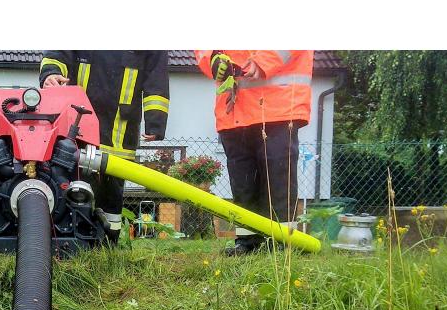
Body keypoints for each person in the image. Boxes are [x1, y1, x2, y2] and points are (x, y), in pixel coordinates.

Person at [39, 51, 169, 244]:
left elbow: (156, 78)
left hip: (120, 131)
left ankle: (108, 247)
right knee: (70, 189)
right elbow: (59, 53)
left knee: (111, 199)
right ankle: (68, 245)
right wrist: (51, 74)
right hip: (77, 131)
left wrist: (156, 121)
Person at [195, 50, 313, 255]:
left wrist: (263, 61)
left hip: (278, 106)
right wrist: (212, 58)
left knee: (278, 178)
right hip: (235, 108)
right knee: (243, 182)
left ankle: (281, 242)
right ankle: (247, 242)